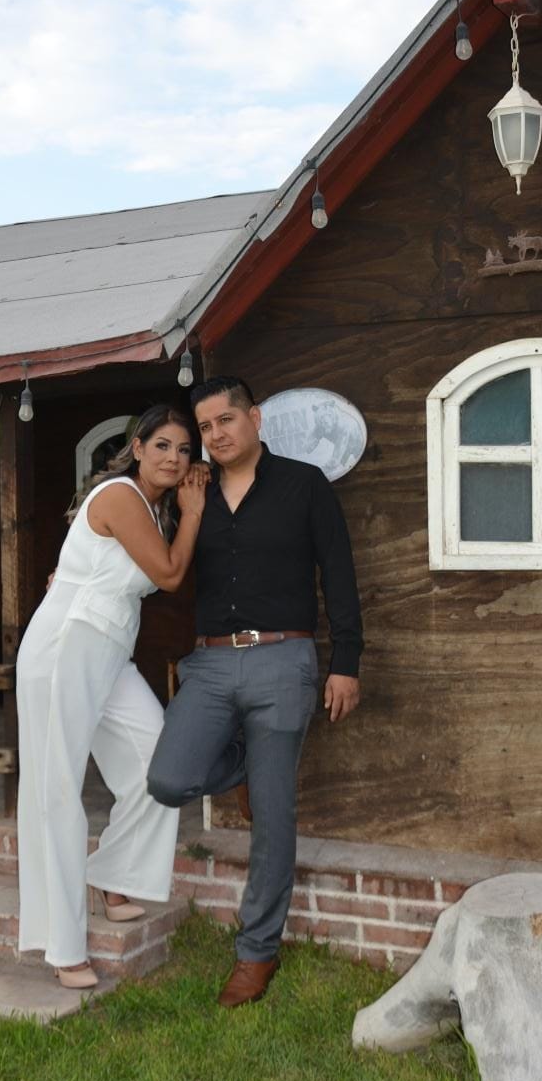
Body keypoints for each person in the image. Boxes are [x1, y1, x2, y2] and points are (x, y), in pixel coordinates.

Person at [147, 376, 363, 1008]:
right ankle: (245, 761)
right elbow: (149, 553)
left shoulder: (304, 485)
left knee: (272, 816)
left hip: (283, 659)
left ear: (255, 419)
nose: (215, 435)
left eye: (225, 421)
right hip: (212, 664)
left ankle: (257, 951)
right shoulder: (195, 494)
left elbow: (340, 576)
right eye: (205, 428)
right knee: (168, 779)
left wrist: (346, 662)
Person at [16, 404, 207, 989]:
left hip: (109, 652)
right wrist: (194, 512)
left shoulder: (151, 507)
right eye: (163, 446)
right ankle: (63, 945)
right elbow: (169, 574)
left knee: (157, 761)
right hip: (65, 648)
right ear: (138, 447)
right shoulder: (123, 496)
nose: (174, 458)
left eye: (184, 450)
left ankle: (113, 873)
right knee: (56, 791)